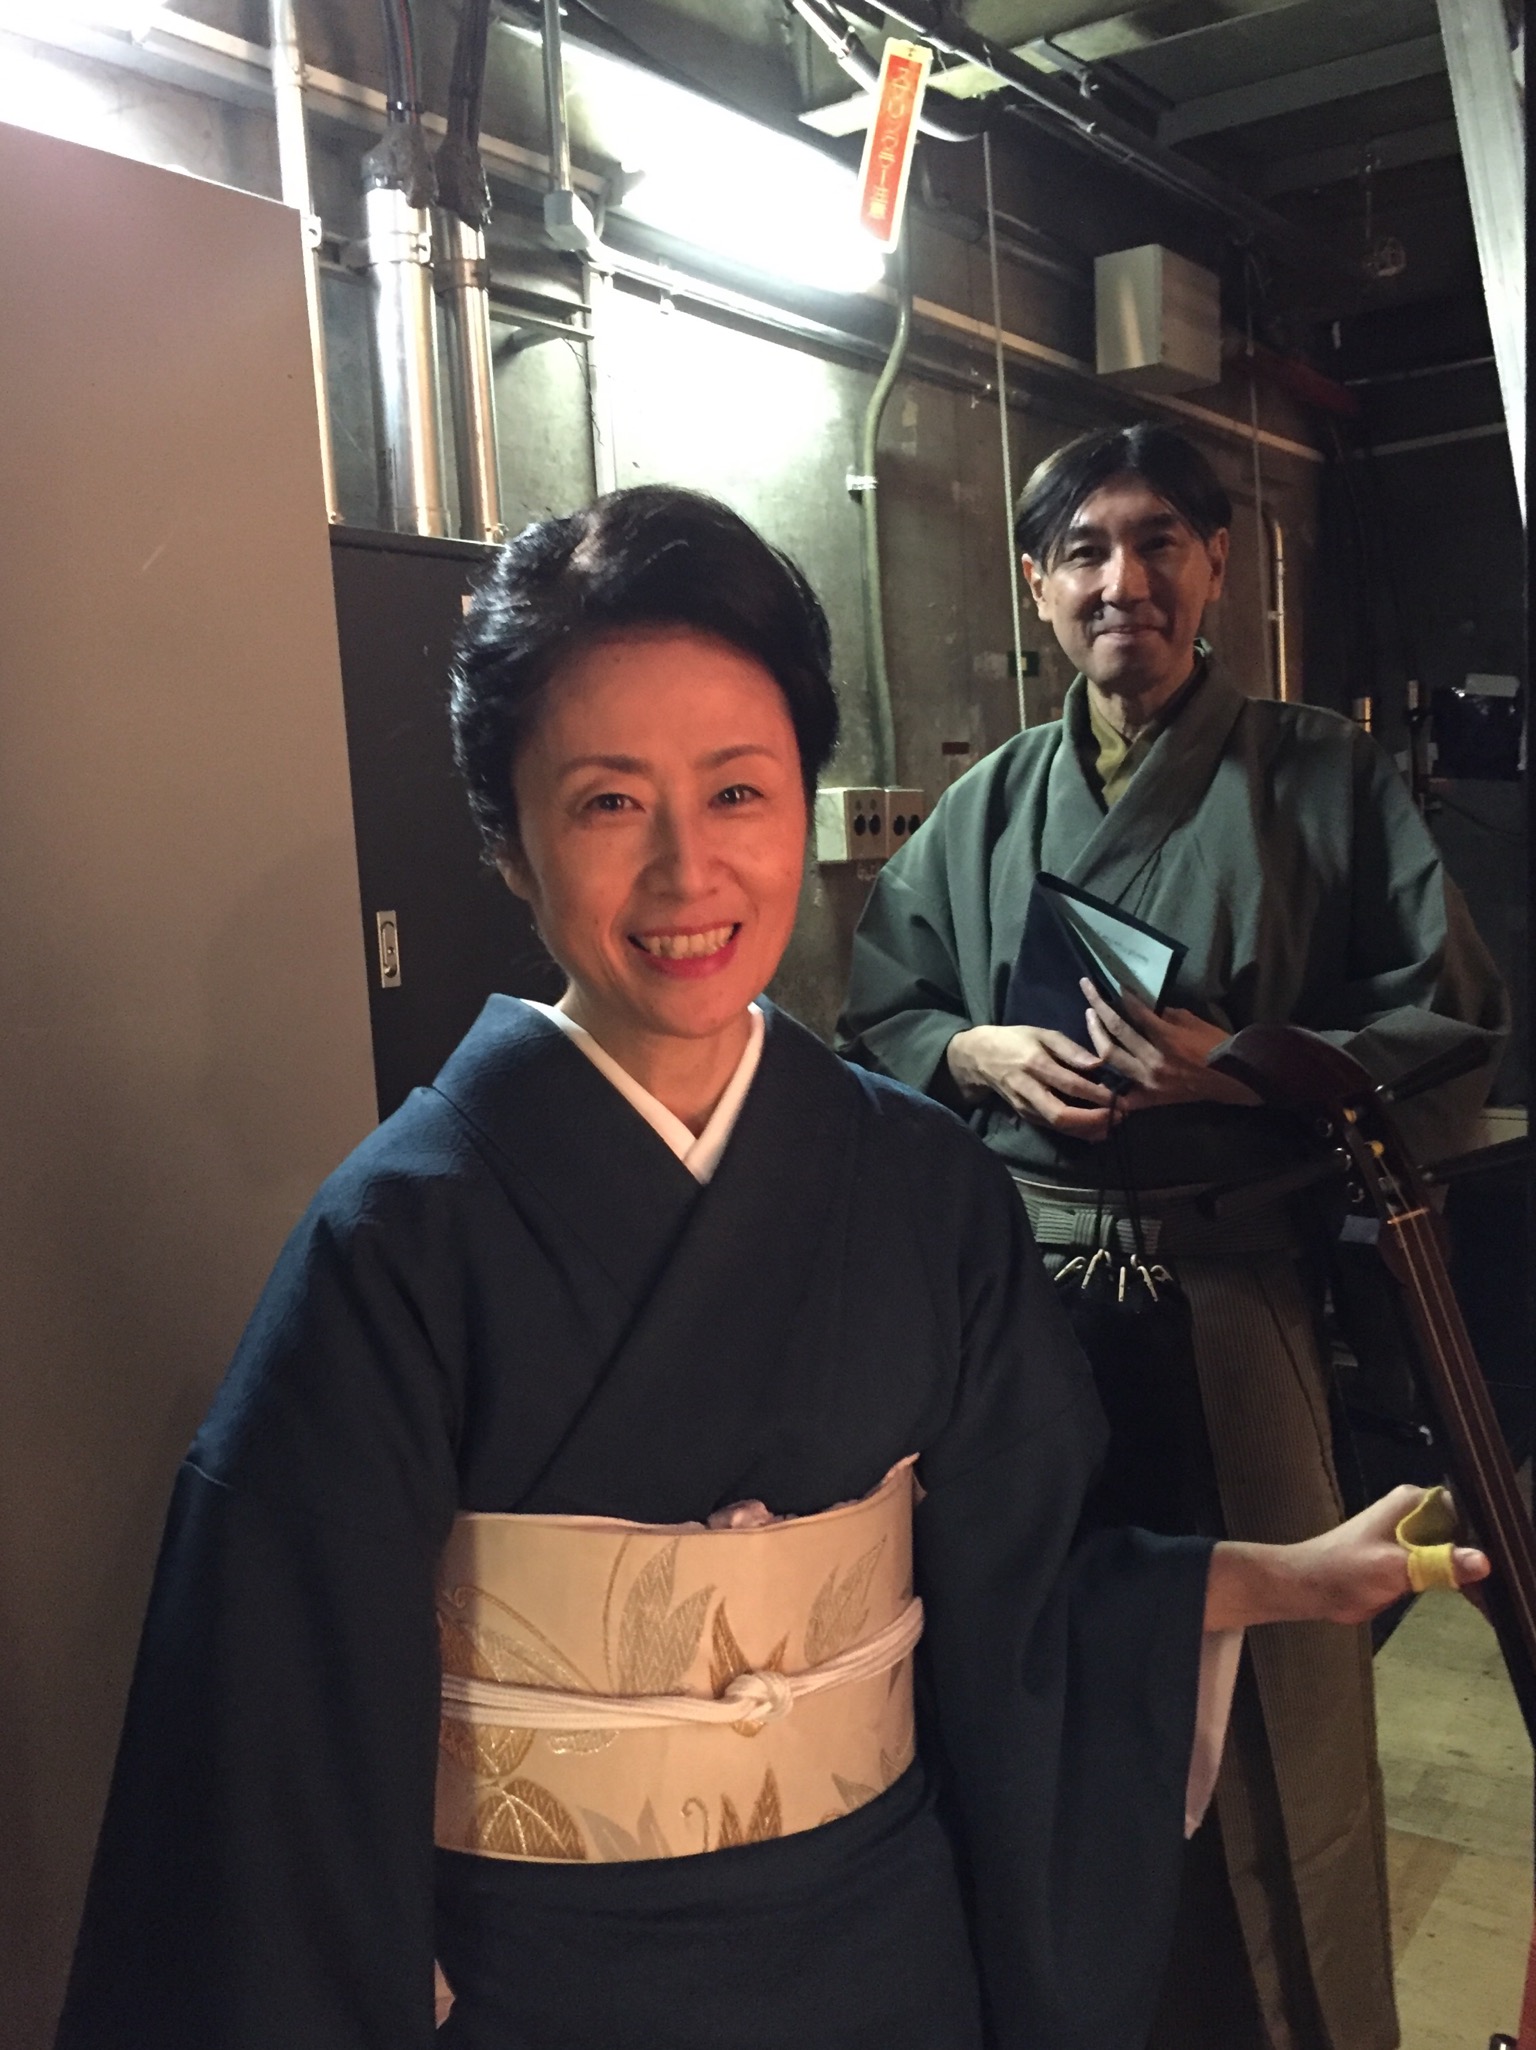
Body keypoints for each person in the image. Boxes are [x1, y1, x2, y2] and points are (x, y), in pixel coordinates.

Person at [57, 485, 1486, 2050]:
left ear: (803, 800)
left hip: (883, 1957)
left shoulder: (924, 1188)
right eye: (609, 801)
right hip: (536, 1985)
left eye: (739, 790)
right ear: (506, 841)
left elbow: (1026, 1594)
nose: (688, 872)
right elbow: (271, 1733)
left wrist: (1268, 1576)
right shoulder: (395, 1240)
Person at [838, 424, 1510, 2050]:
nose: (1120, 579)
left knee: (1282, 1680)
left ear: (1219, 564)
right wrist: (975, 1050)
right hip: (1021, 1318)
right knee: (1026, 1656)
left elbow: (1455, 1022)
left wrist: (1249, 1063)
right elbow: (881, 1009)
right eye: (1083, 549)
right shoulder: (988, 803)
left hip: (1231, 1298)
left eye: (1157, 543)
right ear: (1036, 584)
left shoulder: (1323, 778)